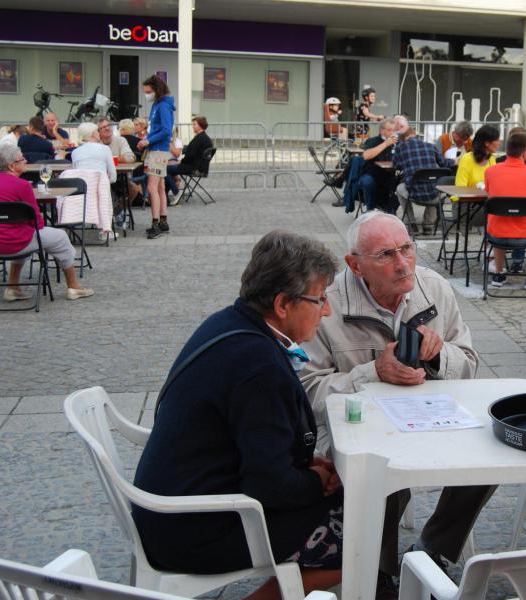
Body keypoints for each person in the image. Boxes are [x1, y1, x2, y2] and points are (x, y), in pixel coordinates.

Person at [133, 231, 366, 600]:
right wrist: (314, 480)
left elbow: (254, 439)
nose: (327, 310)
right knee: (364, 535)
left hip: (171, 507)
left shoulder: (230, 322)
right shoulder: (259, 367)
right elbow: (269, 487)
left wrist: (306, 466)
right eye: (319, 299)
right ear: (282, 304)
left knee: (355, 505)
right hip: (193, 528)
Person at [299, 211, 490, 590]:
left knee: (486, 455)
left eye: (406, 249)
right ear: (355, 265)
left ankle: (434, 551)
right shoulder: (326, 304)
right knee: (381, 470)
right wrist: (374, 372)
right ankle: (376, 570)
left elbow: (469, 363)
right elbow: (307, 392)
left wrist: (439, 357)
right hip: (358, 429)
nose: (403, 264)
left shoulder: (433, 288)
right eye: (386, 255)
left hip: (428, 418)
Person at [0, 143, 93, 301]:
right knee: (60, 237)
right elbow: (38, 223)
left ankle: (13, 286)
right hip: (16, 242)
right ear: (11, 165)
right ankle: (73, 286)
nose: (25, 161)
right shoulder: (22, 186)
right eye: (21, 159)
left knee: (21, 232)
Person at [483, 131, 526, 290]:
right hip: (524, 236)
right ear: (524, 153)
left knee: (499, 220)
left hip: (495, 235)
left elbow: (490, 194)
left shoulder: (490, 172)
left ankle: (498, 273)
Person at [393, 127, 453, 235]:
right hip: (434, 197)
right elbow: (444, 164)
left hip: (414, 195)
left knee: (399, 188)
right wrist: (454, 161)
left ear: (402, 138)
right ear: (415, 134)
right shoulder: (431, 146)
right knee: (433, 186)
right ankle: (428, 226)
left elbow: (396, 165)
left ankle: (412, 225)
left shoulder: (401, 148)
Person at [136, 75, 175, 239]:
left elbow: (166, 130)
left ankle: (155, 223)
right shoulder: (158, 104)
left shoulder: (163, 106)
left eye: (149, 91)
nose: (147, 94)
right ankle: (163, 220)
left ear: (157, 90)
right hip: (157, 149)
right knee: (159, 187)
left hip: (158, 150)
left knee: (152, 187)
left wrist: (148, 140)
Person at [165, 115, 213, 205]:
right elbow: (191, 152)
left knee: (164, 170)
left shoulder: (199, 138)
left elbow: (190, 155)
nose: (192, 126)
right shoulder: (204, 137)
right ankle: (165, 195)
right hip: (199, 167)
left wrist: (181, 162)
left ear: (200, 125)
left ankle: (176, 192)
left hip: (193, 167)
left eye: (194, 124)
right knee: (168, 170)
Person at [359, 118, 398, 213]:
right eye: (389, 130)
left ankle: (389, 211)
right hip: (371, 174)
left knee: (403, 186)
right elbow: (366, 155)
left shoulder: (397, 143)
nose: (392, 132)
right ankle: (371, 209)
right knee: (368, 182)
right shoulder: (373, 141)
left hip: (389, 175)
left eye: (394, 130)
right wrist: (386, 144)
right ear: (381, 130)